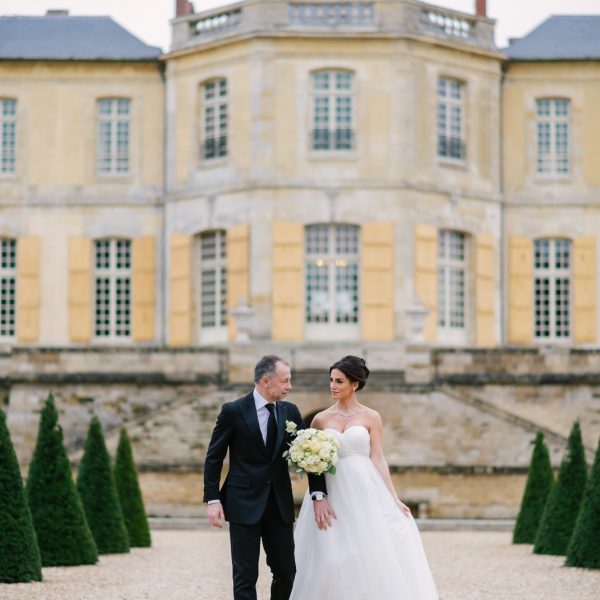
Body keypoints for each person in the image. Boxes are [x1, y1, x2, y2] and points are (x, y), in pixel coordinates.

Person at [290, 355, 439, 600]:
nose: (333, 386)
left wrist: (393, 497)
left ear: (354, 384)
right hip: (333, 491)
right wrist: (319, 497)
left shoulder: (372, 417)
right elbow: (312, 462)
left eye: (339, 381)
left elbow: (378, 458)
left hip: (364, 489)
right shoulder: (320, 419)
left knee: (369, 550)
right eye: (331, 380)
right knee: (330, 555)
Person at [203, 355, 333, 600]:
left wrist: (318, 494)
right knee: (245, 575)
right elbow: (214, 457)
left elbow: (310, 455)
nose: (289, 387)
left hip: (279, 504)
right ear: (265, 381)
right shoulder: (233, 411)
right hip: (242, 503)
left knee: (286, 572)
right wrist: (213, 499)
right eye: (285, 381)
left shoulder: (290, 411)